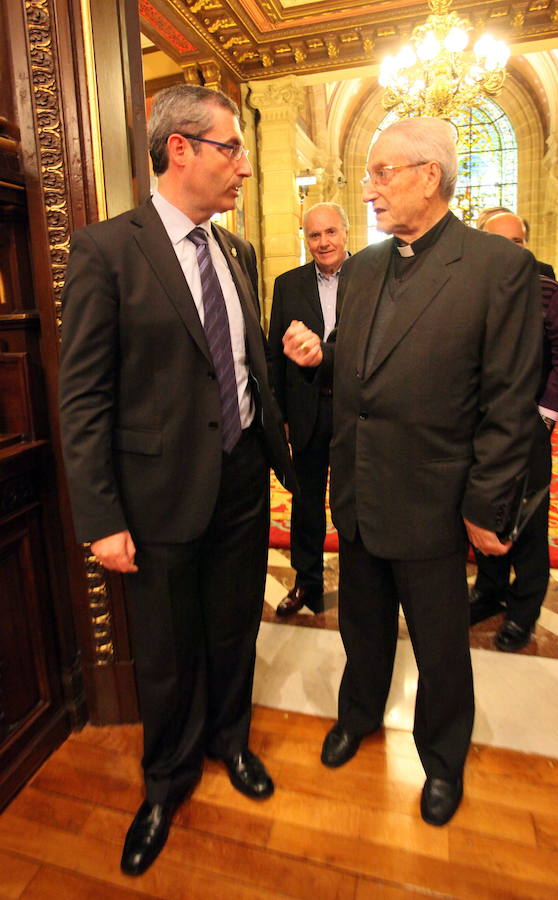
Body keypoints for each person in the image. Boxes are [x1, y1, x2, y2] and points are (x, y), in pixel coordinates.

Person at [59, 84, 296, 876]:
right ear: (181, 149)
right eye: (233, 149)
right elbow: (83, 395)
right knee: (165, 649)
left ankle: (232, 741)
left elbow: (242, 362)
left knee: (234, 627)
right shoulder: (106, 250)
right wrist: (100, 516)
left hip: (241, 476)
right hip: (156, 494)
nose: (244, 168)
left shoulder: (237, 252)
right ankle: (165, 781)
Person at [282, 117, 542, 827]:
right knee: (361, 627)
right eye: (368, 175)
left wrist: (486, 505)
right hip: (359, 489)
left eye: (382, 173)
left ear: (430, 176)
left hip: (434, 498)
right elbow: (363, 364)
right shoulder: (365, 267)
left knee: (439, 646)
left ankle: (443, 755)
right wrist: (322, 358)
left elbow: (509, 402)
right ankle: (358, 715)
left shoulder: (495, 267)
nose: (369, 190)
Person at [470, 211, 558, 650]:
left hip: (529, 426)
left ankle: (524, 609)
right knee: (483, 509)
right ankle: (489, 590)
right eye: (499, 241)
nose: (508, 249)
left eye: (516, 241)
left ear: (525, 244)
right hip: (478, 424)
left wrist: (545, 417)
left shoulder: (551, 294)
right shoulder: (470, 290)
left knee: (528, 519)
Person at [268, 202, 349, 616]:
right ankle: (307, 582)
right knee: (306, 501)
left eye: (330, 232)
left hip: (355, 413)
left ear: (345, 233)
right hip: (306, 412)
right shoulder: (288, 285)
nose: (323, 242)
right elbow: (274, 357)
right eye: (314, 234)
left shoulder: (371, 278)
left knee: (354, 501)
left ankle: (361, 584)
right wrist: (280, 414)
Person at [477, 207, 556, 278]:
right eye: (499, 240)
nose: (508, 246)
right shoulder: (473, 273)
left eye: (516, 241)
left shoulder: (542, 273)